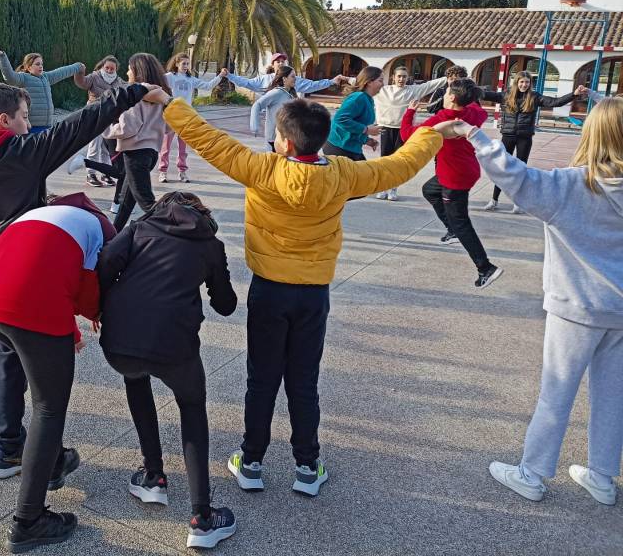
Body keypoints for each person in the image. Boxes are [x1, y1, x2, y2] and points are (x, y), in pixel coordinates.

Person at [142, 89, 447, 498]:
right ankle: (306, 465)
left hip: (269, 291)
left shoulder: (261, 168)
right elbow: (399, 165)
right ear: (321, 138)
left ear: (285, 142)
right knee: (304, 381)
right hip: (313, 295)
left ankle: (251, 461)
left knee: (262, 379)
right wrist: (432, 132)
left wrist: (169, 103)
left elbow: (209, 139)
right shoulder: (344, 173)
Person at [0, 70, 165, 547]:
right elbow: (81, 125)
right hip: (12, 267)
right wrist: (133, 92)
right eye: (24, 117)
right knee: (19, 370)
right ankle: (10, 454)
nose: (30, 124)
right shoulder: (22, 153)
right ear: (6, 121)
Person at [439, 97, 623, 506]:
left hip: (576, 306)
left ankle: (533, 473)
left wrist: (472, 134)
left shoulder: (571, 186)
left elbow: (515, 176)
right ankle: (602, 477)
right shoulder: (573, 185)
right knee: (613, 395)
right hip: (620, 311)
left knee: (557, 391)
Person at [0, 193, 112, 553]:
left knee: (23, 375)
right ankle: (28, 522)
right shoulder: (99, 227)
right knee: (49, 408)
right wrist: (97, 315)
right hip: (29, 303)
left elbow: (49, 272)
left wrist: (69, 331)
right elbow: (87, 292)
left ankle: (50, 462)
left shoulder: (42, 214)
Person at [98, 192, 238, 549]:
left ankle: (153, 476)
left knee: (135, 378)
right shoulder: (209, 244)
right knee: (191, 407)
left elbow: (105, 263)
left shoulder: (138, 228)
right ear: (202, 214)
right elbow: (225, 305)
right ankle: (202, 518)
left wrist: (104, 305)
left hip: (120, 342)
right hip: (174, 346)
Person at [401, 80, 501, 288]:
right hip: (466, 170)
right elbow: (478, 109)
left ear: (453, 97)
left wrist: (410, 112)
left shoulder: (442, 118)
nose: (444, 95)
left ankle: (485, 267)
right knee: (429, 190)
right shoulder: (473, 113)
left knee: (461, 222)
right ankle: (452, 228)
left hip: (454, 177)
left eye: (446, 92)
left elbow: (407, 135)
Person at [480, 71, 585, 212]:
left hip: (525, 138)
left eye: (527, 82)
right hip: (508, 136)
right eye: (522, 82)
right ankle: (494, 200)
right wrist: (469, 87)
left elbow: (555, 102)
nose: (524, 85)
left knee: (521, 170)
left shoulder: (535, 97)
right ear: (516, 82)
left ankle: (518, 203)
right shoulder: (506, 95)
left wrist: (574, 94)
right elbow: (486, 95)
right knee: (502, 168)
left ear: (530, 84)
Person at [105, 53, 171, 231]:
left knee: (147, 204)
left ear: (138, 71)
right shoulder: (162, 94)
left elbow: (127, 128)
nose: (127, 73)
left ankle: (176, 232)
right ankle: (114, 234)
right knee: (127, 201)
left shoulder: (135, 94)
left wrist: (106, 130)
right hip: (151, 153)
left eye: (129, 69)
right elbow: (169, 127)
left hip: (135, 154)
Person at [373, 65, 449, 200]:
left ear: (407, 78)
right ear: (393, 77)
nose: (401, 79)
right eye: (399, 76)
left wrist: (448, 77)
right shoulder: (383, 90)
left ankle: (393, 188)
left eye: (404, 76)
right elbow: (364, 82)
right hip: (385, 128)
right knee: (384, 159)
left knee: (399, 160)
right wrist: (345, 79)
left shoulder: (413, 90)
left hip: (402, 130)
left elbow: (430, 84)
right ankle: (382, 187)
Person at [159, 54, 224, 183]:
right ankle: (163, 172)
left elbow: (207, 86)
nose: (186, 66)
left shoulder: (191, 79)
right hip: (172, 116)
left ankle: (182, 172)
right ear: (176, 64)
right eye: (183, 63)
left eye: (188, 64)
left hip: (186, 117)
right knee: (166, 147)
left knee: (183, 148)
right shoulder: (170, 77)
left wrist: (220, 76)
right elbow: (158, 85)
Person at [0, 46, 86, 132]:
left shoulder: (46, 77)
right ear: (29, 67)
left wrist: (78, 66)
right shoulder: (23, 78)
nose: (41, 66)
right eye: (37, 64)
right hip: (31, 127)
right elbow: (9, 76)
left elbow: (62, 72)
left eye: (41, 64)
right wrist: (2, 56)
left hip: (47, 126)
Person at [250, 65, 334, 151]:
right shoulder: (276, 92)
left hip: (287, 140)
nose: (295, 79)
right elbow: (257, 105)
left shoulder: (291, 94)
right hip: (274, 141)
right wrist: (254, 127)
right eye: (293, 76)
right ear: (284, 78)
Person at [74, 56, 126, 187]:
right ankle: (90, 174)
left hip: (110, 117)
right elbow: (82, 82)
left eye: (112, 69)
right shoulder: (94, 77)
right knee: (94, 144)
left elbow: (127, 89)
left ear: (116, 70)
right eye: (107, 67)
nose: (109, 70)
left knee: (106, 146)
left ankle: (105, 172)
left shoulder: (118, 81)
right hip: (95, 114)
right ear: (102, 66)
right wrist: (78, 72)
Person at [323, 66, 384, 160]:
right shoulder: (359, 97)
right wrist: (366, 129)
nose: (383, 84)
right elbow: (340, 119)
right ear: (369, 82)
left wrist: (367, 140)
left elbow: (356, 125)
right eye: (380, 80)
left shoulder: (368, 99)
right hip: (339, 147)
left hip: (351, 148)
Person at [225, 52, 350, 96]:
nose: (280, 63)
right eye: (277, 61)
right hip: (269, 118)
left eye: (282, 61)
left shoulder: (293, 79)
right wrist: (229, 75)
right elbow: (246, 82)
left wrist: (331, 81)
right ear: (272, 64)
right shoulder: (264, 80)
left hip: (286, 118)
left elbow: (312, 85)